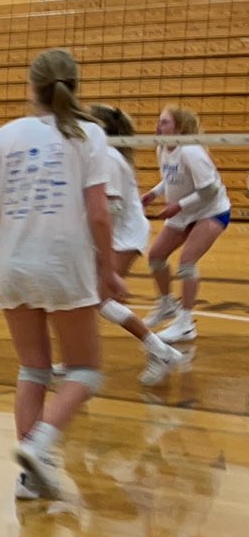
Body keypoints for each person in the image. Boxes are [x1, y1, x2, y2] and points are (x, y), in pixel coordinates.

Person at [0, 49, 124, 502]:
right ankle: (38, 445)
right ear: (75, 85)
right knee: (86, 372)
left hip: (12, 266)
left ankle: (29, 480)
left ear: (31, 88)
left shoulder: (6, 135)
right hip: (63, 264)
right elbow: (99, 214)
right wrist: (109, 271)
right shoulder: (90, 135)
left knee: (33, 368)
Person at [89, 105, 184, 386]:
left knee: (99, 299)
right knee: (86, 297)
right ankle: (79, 360)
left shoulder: (107, 157)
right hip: (113, 232)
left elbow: (110, 209)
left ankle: (160, 350)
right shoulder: (100, 155)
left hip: (123, 234)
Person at [143, 104, 231, 346]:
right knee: (156, 256)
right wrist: (153, 193)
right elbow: (170, 178)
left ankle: (185, 323)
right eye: (159, 121)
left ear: (179, 128)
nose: (157, 126)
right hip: (185, 211)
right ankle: (166, 305)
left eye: (164, 122)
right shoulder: (163, 148)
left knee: (187, 261)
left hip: (212, 210)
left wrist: (178, 205)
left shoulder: (191, 151)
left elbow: (210, 189)